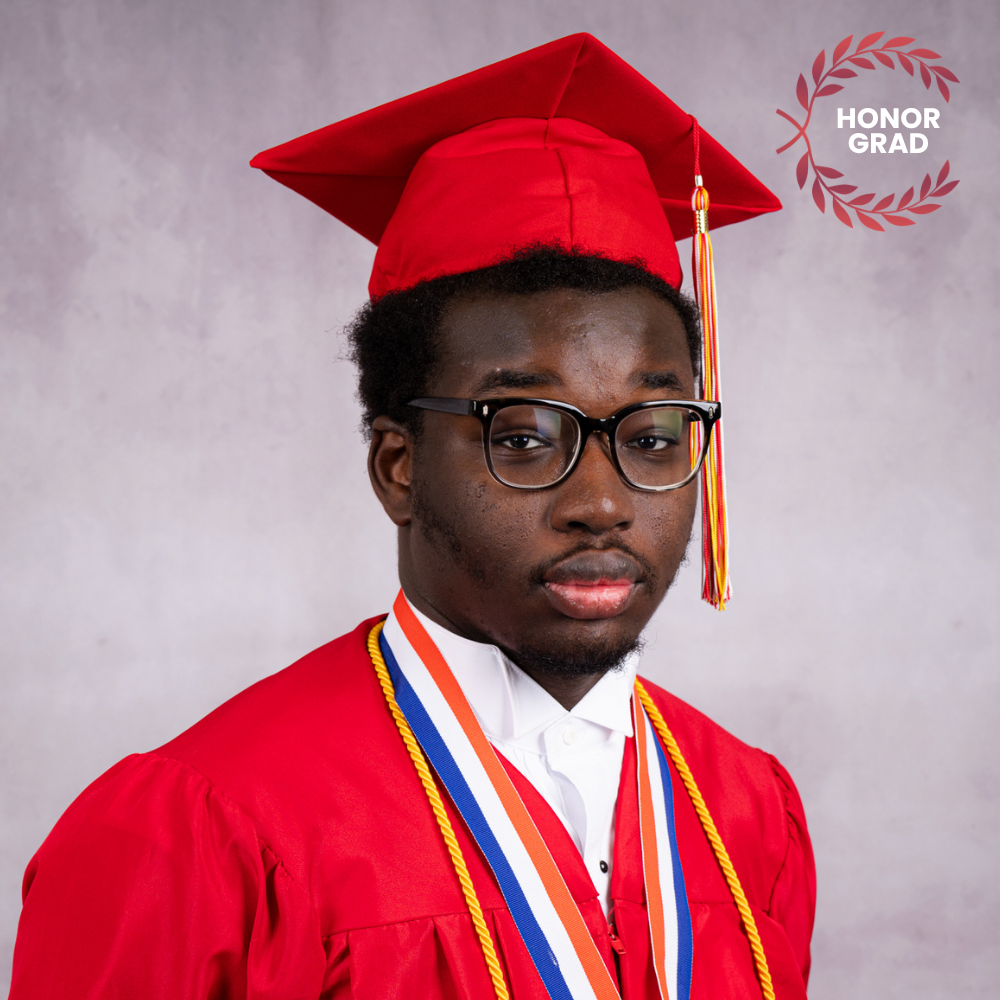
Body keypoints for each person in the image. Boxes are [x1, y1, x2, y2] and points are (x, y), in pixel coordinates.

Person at [8, 33, 815, 1000]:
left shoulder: (746, 809)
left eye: (649, 435)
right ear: (397, 467)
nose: (602, 502)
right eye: (521, 436)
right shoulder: (203, 830)